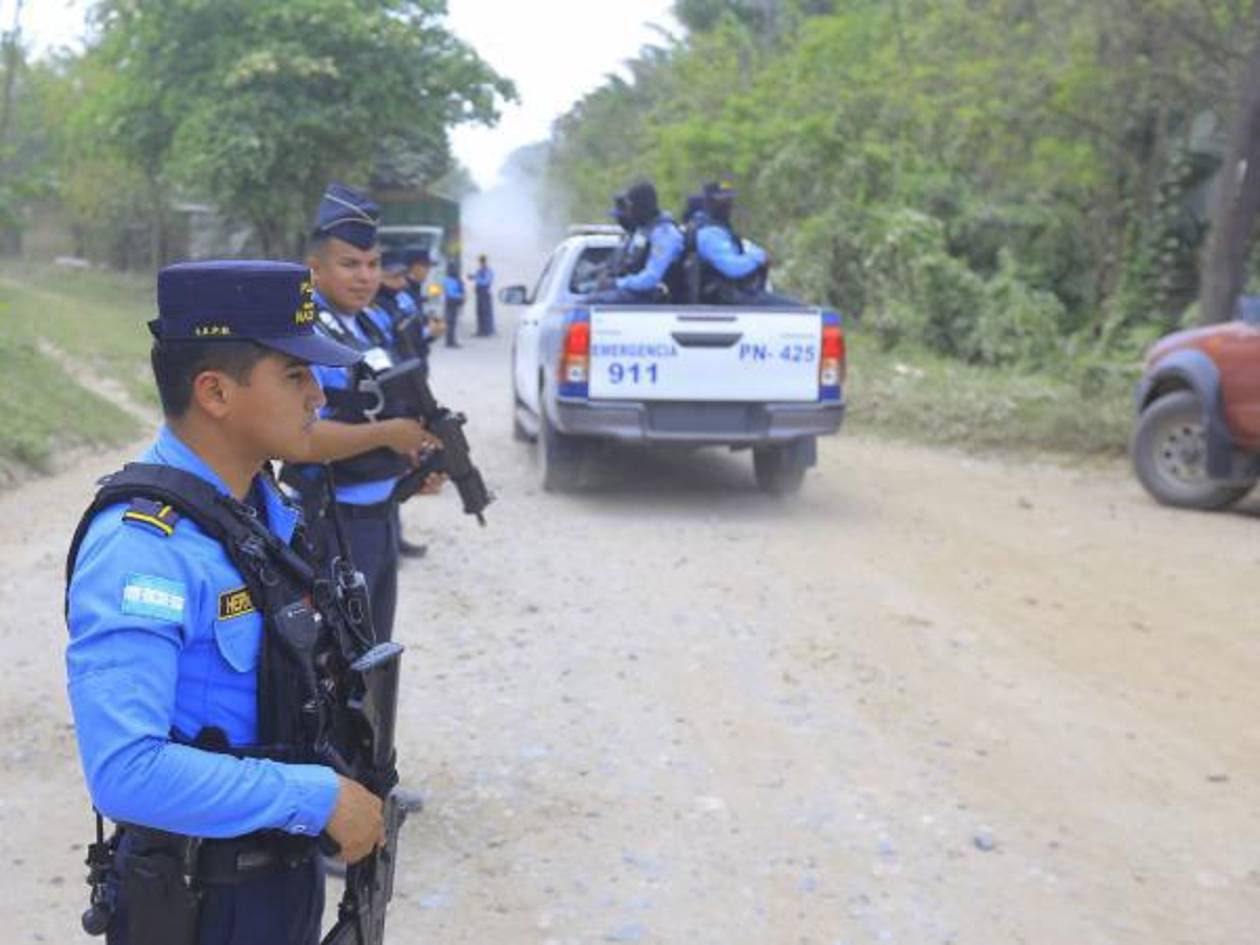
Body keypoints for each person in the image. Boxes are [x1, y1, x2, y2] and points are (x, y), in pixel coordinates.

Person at [65, 260, 386, 945]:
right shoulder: (143, 548)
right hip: (203, 904)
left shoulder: (268, 511)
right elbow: (126, 771)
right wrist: (316, 795)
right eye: (295, 375)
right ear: (214, 392)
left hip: (282, 879)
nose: (318, 399)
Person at [284, 182, 442, 644]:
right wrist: (389, 435)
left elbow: (392, 407)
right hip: (330, 520)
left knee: (373, 653)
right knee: (331, 661)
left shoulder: (374, 321)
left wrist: (416, 462)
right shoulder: (305, 333)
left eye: (372, 264)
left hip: (380, 515)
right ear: (314, 269)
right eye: (349, 264)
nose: (365, 276)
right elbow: (303, 439)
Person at [694, 178, 803, 307]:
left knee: (793, 305)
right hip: (725, 298)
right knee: (796, 309)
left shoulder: (720, 230)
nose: (728, 204)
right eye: (722, 201)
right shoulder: (708, 233)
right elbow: (732, 268)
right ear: (709, 202)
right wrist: (759, 257)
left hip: (735, 295)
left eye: (729, 200)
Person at [583, 180, 686, 304]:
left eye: (630, 207)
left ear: (642, 206)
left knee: (593, 303)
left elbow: (650, 278)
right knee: (588, 295)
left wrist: (616, 283)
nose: (628, 212)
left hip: (656, 297)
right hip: (638, 294)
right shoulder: (642, 230)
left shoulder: (665, 234)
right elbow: (629, 264)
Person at [469, 254, 495, 336]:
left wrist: (476, 278)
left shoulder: (488, 271)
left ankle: (487, 330)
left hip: (485, 293)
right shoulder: (479, 270)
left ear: (484, 261)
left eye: (481, 261)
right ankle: (480, 330)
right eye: (480, 261)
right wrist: (473, 277)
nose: (480, 263)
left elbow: (486, 281)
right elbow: (477, 280)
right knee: (479, 312)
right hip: (479, 293)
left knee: (485, 312)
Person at [442, 263, 465, 347]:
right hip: (454, 302)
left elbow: (446, 292)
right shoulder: (456, 280)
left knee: (450, 321)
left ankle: (449, 341)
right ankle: (450, 342)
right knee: (452, 322)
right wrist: (461, 298)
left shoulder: (446, 280)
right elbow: (457, 292)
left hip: (449, 302)